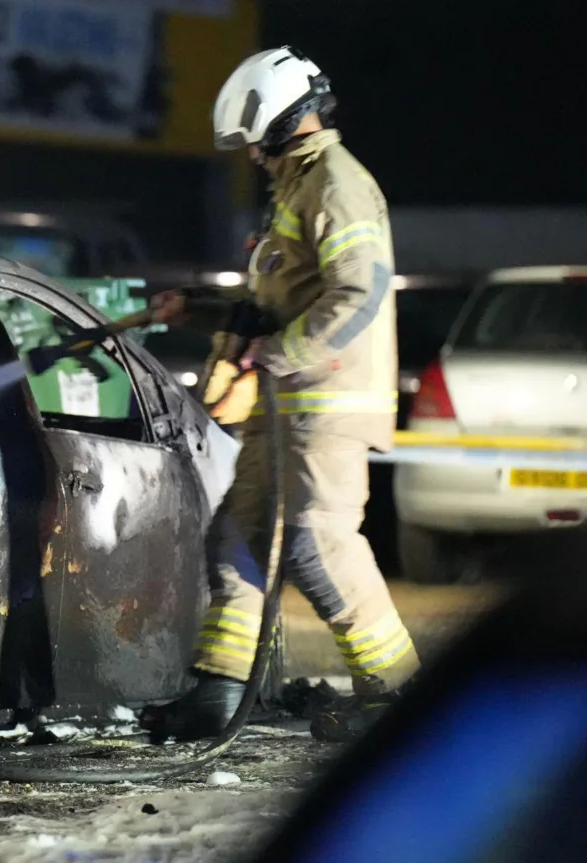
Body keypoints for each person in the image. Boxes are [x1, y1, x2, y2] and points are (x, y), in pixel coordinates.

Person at [140, 46, 417, 743]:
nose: (254, 158)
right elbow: (279, 300)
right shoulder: (296, 187)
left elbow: (361, 291)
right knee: (236, 540)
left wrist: (282, 353)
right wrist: (199, 307)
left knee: (316, 543)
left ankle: (398, 693)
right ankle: (218, 693)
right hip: (282, 407)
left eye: (255, 144)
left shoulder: (337, 183)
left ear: (278, 119)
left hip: (325, 403)